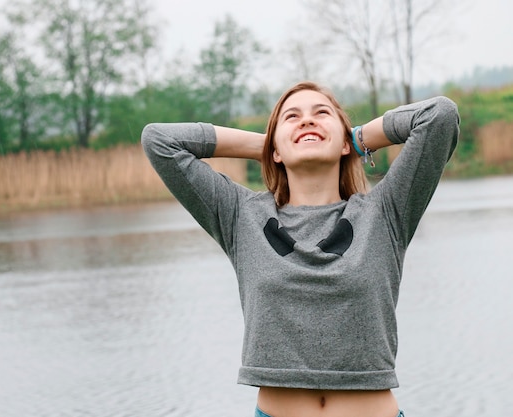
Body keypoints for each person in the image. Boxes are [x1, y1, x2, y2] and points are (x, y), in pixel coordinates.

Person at [141, 81, 459, 417]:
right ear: (275, 150)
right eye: (291, 117)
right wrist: (268, 146)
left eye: (321, 114)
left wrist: (355, 138)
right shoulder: (240, 216)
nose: (307, 121)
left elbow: (439, 116)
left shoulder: (386, 213)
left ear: (345, 144)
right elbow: (160, 141)